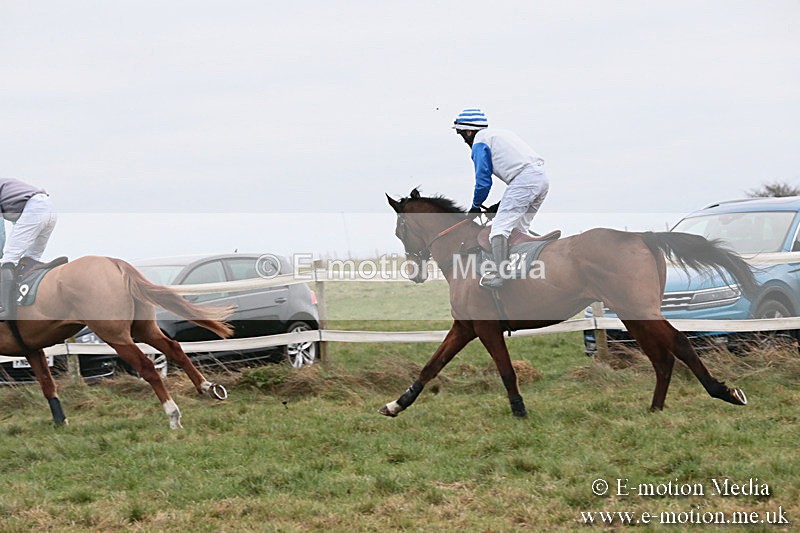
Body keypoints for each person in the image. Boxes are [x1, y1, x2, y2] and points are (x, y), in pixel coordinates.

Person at [453, 108, 550, 289]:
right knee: (518, 230)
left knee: (498, 230)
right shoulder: (501, 133)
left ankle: (500, 275)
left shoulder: (480, 142)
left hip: (524, 180)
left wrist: (475, 206)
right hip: (540, 179)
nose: (464, 140)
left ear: (468, 131)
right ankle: (522, 276)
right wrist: (498, 206)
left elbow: (483, 181)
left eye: (462, 135)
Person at [0, 178, 57, 319]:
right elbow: (17, 225)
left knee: (8, 260)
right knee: (31, 258)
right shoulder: (7, 188)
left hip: (33, 210)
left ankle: (6, 309)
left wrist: (4, 257)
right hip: (49, 210)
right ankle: (27, 296)